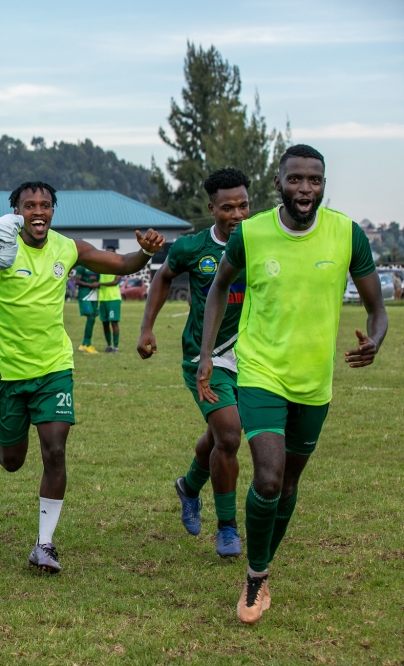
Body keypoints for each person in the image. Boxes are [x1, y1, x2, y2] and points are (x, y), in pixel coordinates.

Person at [198, 145, 387, 624]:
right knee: (267, 476)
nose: (306, 189)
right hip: (260, 373)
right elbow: (219, 286)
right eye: (296, 179)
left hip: (313, 382)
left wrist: (376, 340)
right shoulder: (252, 233)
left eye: (315, 180)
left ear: (323, 184)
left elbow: (377, 308)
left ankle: (261, 567)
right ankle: (256, 576)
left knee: (287, 486)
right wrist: (205, 355)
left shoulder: (346, 234)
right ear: (278, 182)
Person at [0, 181, 164, 573]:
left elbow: (121, 264)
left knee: (56, 449)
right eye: (29, 205)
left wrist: (145, 253)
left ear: (53, 211)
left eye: (45, 205)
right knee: (12, 462)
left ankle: (44, 544)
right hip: (8, 372)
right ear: (16, 211)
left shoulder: (69, 248)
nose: (38, 211)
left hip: (54, 369)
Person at [137, 167, 251, 557]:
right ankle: (228, 529)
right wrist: (147, 327)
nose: (236, 215)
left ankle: (188, 486)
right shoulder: (193, 248)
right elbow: (164, 277)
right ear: (212, 208)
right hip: (205, 357)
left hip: (253, 355)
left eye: (243, 206)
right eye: (227, 207)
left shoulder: (262, 244)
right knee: (231, 436)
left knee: (222, 434)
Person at [97, 248, 123, 353]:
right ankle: (109, 345)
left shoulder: (118, 266)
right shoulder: (101, 267)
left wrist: (100, 284)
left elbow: (116, 282)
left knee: (114, 323)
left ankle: (116, 346)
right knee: (105, 323)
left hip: (114, 298)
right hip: (103, 298)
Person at [73, 265, 100, 354]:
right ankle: (87, 344)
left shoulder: (98, 266)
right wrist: (90, 284)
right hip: (85, 295)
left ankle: (84, 344)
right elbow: (77, 281)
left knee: (92, 318)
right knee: (91, 317)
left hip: (94, 293)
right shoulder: (81, 266)